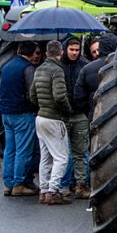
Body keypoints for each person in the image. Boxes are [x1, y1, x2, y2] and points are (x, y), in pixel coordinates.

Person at [30, 41, 74, 205]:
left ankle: (43, 190)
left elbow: (32, 94)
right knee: (61, 158)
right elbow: (60, 96)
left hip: (40, 118)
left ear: (46, 52)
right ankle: (52, 191)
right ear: (61, 52)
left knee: (46, 157)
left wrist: (42, 106)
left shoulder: (39, 69)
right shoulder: (57, 70)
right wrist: (67, 111)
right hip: (54, 119)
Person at [1, 41, 41, 196]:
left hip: (6, 113)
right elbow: (32, 93)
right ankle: (19, 183)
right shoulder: (28, 68)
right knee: (23, 150)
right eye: (36, 53)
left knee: (9, 150)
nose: (37, 56)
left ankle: (8, 184)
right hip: (23, 113)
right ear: (30, 53)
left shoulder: (7, 66)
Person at [58, 37, 90, 198]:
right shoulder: (58, 67)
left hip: (79, 115)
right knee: (63, 153)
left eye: (77, 50)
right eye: (72, 50)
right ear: (65, 49)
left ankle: (81, 184)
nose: (74, 53)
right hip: (62, 116)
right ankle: (63, 185)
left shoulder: (84, 66)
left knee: (80, 152)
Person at [74, 33, 117, 122]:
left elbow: (78, 98)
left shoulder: (86, 69)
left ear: (101, 48)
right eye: (93, 52)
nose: (96, 53)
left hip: (96, 116)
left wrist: (91, 109)